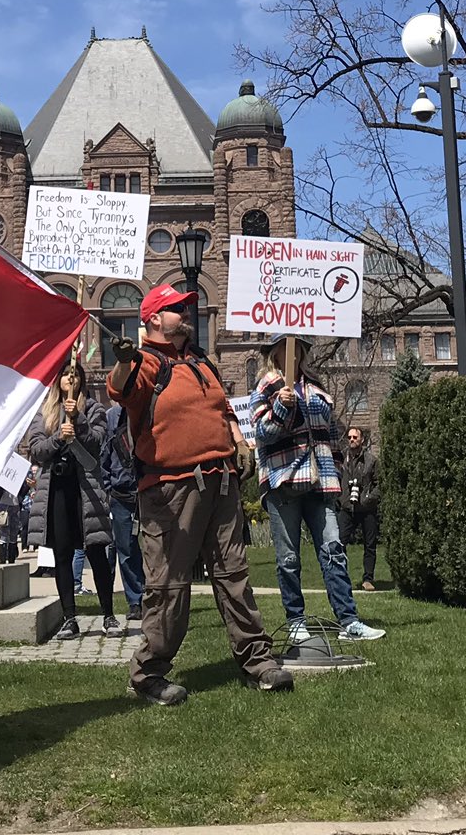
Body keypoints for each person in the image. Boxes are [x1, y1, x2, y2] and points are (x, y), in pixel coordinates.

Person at [107, 283, 292, 705]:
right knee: (168, 585)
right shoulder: (146, 362)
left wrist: (240, 443)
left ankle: (258, 661)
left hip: (220, 483)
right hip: (170, 490)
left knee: (234, 577)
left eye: (186, 308)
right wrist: (122, 362)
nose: (185, 314)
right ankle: (149, 674)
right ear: (153, 318)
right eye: (176, 309)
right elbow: (120, 389)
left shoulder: (200, 361)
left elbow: (224, 410)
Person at [252, 340, 385, 644]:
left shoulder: (315, 385)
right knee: (288, 558)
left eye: (297, 347)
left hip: (319, 482)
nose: (292, 353)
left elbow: (333, 432)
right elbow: (262, 433)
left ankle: (349, 620)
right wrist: (280, 409)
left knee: (334, 550)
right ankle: (296, 620)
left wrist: (335, 467)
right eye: (284, 347)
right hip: (283, 480)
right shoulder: (267, 386)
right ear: (274, 353)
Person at [24, 358, 120, 639]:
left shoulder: (93, 409)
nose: (70, 379)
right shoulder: (44, 412)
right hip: (56, 489)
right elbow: (37, 449)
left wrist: (77, 422)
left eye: (75, 375)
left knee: (96, 551)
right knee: (62, 554)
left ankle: (109, 615)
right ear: (58, 381)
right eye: (66, 375)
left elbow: (98, 441)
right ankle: (70, 618)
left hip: (85, 490)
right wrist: (58, 438)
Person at [99, 397, 146, 622]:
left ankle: (154, 598)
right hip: (121, 493)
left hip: (146, 490)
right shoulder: (112, 417)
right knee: (126, 549)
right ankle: (135, 601)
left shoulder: (147, 410)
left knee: (153, 548)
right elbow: (104, 455)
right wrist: (108, 486)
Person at [339, 425, 382, 592]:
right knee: (340, 543)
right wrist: (339, 499)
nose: (351, 440)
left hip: (366, 509)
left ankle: (368, 579)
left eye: (354, 437)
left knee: (370, 545)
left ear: (362, 439)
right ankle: (342, 579)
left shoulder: (371, 460)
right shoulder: (342, 459)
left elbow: (380, 484)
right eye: (349, 437)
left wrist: (369, 499)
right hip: (347, 508)